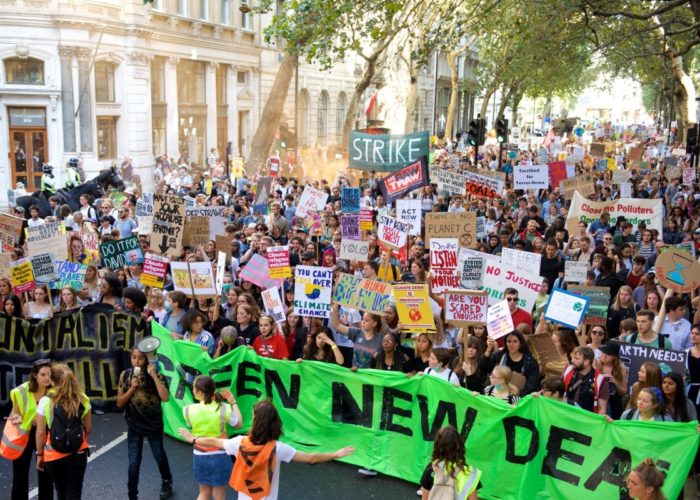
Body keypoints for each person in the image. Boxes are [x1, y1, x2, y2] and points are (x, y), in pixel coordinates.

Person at [178, 400, 355, 500]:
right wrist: (335, 454)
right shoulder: (278, 449)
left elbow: (214, 442)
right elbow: (311, 458)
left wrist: (194, 439)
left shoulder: (239, 442)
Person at [116, 347, 173, 500]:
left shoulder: (157, 375)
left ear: (147, 359)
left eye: (140, 358)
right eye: (134, 357)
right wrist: (131, 389)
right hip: (134, 425)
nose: (137, 361)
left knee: (159, 455)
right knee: (133, 463)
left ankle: (167, 481)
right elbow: (120, 403)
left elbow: (165, 397)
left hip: (153, 425)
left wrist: (154, 376)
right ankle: (132, 495)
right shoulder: (125, 375)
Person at [181, 376, 242, 500]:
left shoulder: (187, 410)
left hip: (199, 456)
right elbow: (238, 424)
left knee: (203, 493)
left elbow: (190, 426)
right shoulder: (224, 408)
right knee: (219, 495)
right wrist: (233, 402)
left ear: (199, 392)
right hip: (220, 456)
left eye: (193, 386)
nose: (192, 389)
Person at [35, 364, 91, 500]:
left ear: (52, 380)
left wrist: (39, 455)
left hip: (53, 455)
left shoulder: (46, 401)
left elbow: (40, 433)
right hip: (78, 453)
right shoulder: (83, 398)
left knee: (61, 493)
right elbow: (87, 428)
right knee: (74, 494)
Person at [6, 359, 53, 500]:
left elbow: (59, 413)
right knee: (20, 475)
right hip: (25, 433)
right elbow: (14, 414)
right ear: (35, 376)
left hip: (44, 432)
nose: (47, 378)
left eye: (49, 374)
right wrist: (18, 418)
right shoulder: (20, 391)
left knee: (45, 473)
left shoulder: (54, 391)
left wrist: (42, 419)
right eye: (43, 375)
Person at [419, 425, 481, 500]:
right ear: (460, 446)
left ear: (437, 446)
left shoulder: (431, 468)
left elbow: (425, 498)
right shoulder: (469, 473)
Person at [331, 303, 383, 369]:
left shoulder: (381, 339)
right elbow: (337, 326)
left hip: (371, 377)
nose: (363, 322)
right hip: (356, 374)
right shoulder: (357, 333)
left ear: (375, 323)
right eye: (363, 319)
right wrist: (335, 308)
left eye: (366, 320)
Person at [490, 331, 540, 395]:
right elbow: (485, 367)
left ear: (520, 343)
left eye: (515, 341)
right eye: (509, 341)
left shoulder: (530, 360)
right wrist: (488, 350)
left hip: (521, 396)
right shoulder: (500, 355)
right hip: (500, 392)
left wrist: (517, 396)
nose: (511, 344)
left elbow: (532, 383)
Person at [562, 346, 609, 415]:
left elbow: (602, 409)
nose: (572, 361)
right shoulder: (568, 370)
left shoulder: (600, 380)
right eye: (573, 358)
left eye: (576, 358)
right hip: (567, 416)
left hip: (586, 421)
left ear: (586, 362)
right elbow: (557, 389)